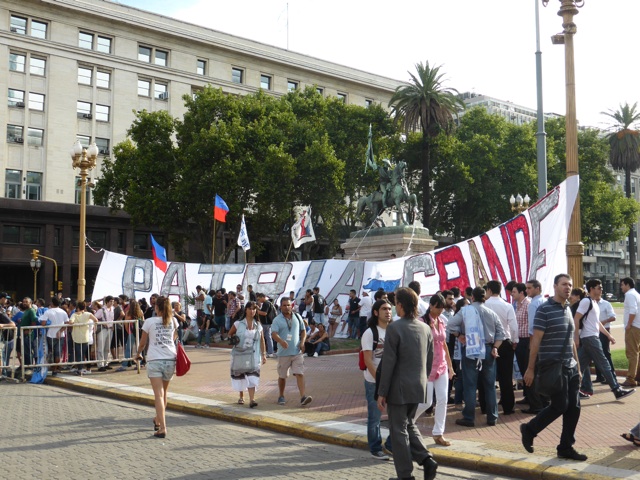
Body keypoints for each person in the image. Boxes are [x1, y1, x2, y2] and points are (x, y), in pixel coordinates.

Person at [520, 274, 587, 461]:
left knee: (574, 407)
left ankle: (566, 447)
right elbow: (536, 340)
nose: (568, 288)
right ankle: (530, 429)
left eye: (570, 285)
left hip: (570, 366)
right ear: (555, 286)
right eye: (564, 284)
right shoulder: (544, 310)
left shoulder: (567, 309)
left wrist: (579, 367)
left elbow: (572, 341)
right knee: (560, 405)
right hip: (553, 366)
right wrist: (530, 368)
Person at [377, 287, 437, 480]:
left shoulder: (394, 328)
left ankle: (405, 475)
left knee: (398, 431)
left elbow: (389, 363)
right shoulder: (425, 328)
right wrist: (422, 381)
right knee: (409, 424)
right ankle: (427, 460)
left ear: (400, 305)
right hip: (418, 385)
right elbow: (429, 360)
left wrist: (382, 391)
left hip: (399, 388)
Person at [448, 287, 505, 427]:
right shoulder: (491, 313)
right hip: (488, 349)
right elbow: (501, 333)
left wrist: (459, 335)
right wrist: (496, 348)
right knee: (490, 386)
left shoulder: (465, 311)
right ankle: (492, 417)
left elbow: (450, 324)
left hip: (471, 348)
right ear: (484, 298)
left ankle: (469, 417)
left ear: (472, 297)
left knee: (470, 385)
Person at [573, 278, 634, 400]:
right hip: (590, 338)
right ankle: (616, 390)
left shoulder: (594, 303)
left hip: (590, 338)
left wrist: (608, 335)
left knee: (580, 366)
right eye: (599, 287)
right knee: (604, 363)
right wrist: (576, 338)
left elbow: (597, 323)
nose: (601, 289)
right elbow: (576, 318)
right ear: (591, 289)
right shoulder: (586, 301)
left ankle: (571, 391)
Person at [136, 295, 178, 439]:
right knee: (164, 394)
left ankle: (163, 428)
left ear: (156, 308)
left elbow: (142, 342)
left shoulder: (149, 322)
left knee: (158, 395)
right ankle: (158, 419)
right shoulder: (173, 320)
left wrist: (138, 354)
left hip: (155, 359)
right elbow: (173, 338)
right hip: (170, 359)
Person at [415, 294, 454, 447]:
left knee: (443, 399)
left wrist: (450, 366)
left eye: (442, 308)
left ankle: (438, 433)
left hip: (442, 365)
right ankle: (407, 421)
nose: (439, 311)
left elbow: (444, 344)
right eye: (437, 307)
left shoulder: (441, 321)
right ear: (430, 305)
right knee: (426, 402)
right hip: (427, 367)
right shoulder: (422, 322)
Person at [361, 299, 393, 461]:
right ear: (375, 312)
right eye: (383, 309)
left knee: (397, 415)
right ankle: (375, 448)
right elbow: (368, 361)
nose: (388, 311)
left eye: (389, 309)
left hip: (392, 381)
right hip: (374, 382)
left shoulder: (393, 331)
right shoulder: (370, 333)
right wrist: (380, 382)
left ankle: (390, 445)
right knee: (375, 415)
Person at [484, 280, 518, 415]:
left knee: (487, 377)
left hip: (489, 343)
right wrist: (515, 341)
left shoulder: (484, 305)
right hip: (505, 342)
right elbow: (513, 326)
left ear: (489, 290)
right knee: (506, 377)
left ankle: (487, 407)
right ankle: (508, 406)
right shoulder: (507, 306)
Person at [271, 297, 312, 406]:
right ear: (280, 306)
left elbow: (303, 331)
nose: (287, 307)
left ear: (292, 306)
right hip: (283, 354)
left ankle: (303, 397)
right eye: (284, 305)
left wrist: (302, 342)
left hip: (297, 352)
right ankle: (281, 395)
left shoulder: (297, 317)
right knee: (283, 376)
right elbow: (273, 333)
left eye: (288, 305)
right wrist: (281, 341)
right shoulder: (277, 319)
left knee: (300, 373)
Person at [228, 301, 267, 408]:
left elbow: (262, 340)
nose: (252, 311)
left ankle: (252, 399)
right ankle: (241, 396)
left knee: (252, 376)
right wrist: (233, 339)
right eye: (250, 309)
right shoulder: (238, 324)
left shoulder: (258, 325)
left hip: (254, 355)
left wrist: (264, 354)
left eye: (254, 309)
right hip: (240, 353)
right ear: (246, 310)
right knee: (241, 375)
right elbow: (230, 334)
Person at [39, 297, 69, 375]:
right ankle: (55, 369)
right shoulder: (63, 312)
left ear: (52, 303)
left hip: (50, 334)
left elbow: (43, 323)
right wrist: (60, 330)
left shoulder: (48, 312)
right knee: (58, 352)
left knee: (51, 351)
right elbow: (67, 323)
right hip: (61, 335)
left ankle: (51, 367)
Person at [621, 277, 640, 387]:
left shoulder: (629, 295)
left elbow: (633, 310)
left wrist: (629, 324)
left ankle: (630, 378)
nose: (621, 287)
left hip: (633, 327)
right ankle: (637, 377)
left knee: (632, 353)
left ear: (627, 285)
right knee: (637, 353)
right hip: (638, 326)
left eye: (622, 284)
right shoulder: (636, 294)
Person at [68, 301, 97, 375]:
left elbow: (70, 322)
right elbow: (96, 320)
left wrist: (76, 324)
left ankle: (80, 369)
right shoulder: (88, 314)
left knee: (78, 354)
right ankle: (83, 368)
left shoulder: (74, 315)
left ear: (77, 308)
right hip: (86, 336)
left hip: (77, 337)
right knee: (84, 353)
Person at [118, 299, 144, 371]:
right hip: (139, 331)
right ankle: (139, 363)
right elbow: (143, 321)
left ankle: (125, 364)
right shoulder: (140, 312)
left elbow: (126, 324)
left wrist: (128, 331)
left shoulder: (128, 313)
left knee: (128, 348)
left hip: (131, 331)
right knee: (139, 348)